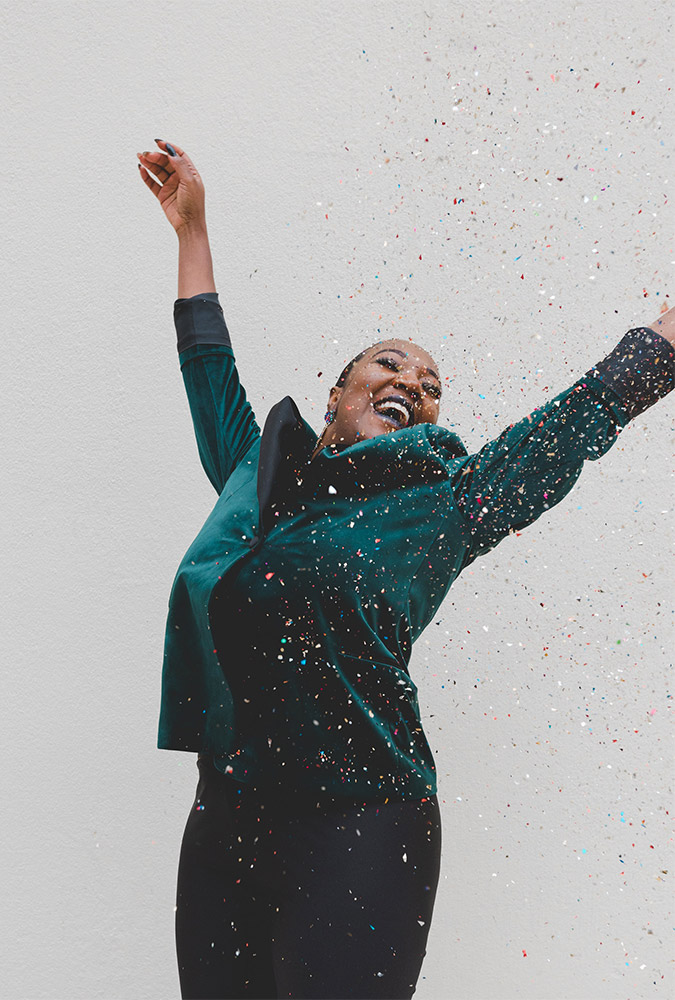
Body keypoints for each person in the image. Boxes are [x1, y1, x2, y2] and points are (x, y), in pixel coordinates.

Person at [137, 139, 674, 1000]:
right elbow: (208, 370)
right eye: (389, 363)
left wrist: (666, 335)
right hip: (227, 818)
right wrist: (191, 230)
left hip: (361, 826)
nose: (414, 384)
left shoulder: (444, 506)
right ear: (337, 394)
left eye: (430, 384)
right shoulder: (257, 476)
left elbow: (567, 427)